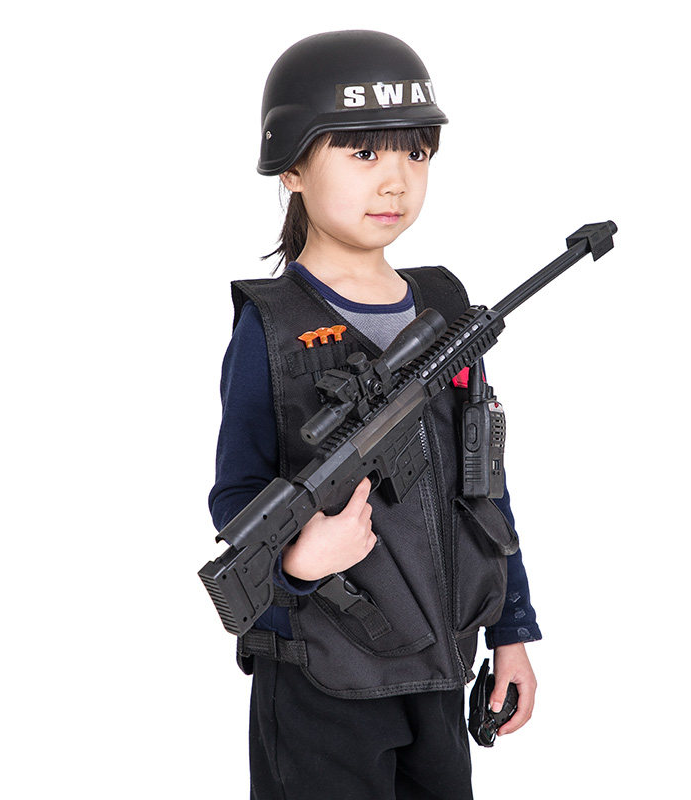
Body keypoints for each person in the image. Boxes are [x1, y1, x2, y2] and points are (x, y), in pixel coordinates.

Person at [208, 29, 541, 800]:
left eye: (416, 154)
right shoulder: (272, 328)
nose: (396, 181)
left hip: (440, 668)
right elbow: (236, 494)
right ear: (292, 167)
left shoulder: (445, 309)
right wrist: (299, 561)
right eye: (363, 153)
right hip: (323, 679)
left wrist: (512, 631)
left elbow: (483, 485)